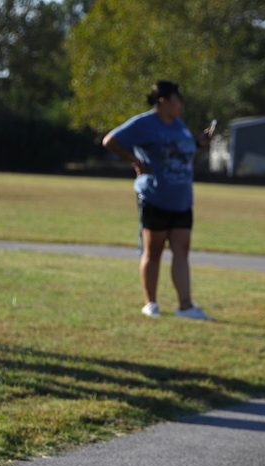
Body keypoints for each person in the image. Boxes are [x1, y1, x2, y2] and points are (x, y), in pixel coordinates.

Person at [102, 80, 213, 320]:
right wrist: (136, 161)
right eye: (177, 99)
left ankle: (186, 306)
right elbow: (110, 140)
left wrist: (199, 145)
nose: (181, 103)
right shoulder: (144, 123)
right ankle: (150, 304)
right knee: (154, 252)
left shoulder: (179, 124)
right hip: (156, 197)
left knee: (181, 251)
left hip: (182, 198)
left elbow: (183, 155)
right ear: (162, 101)